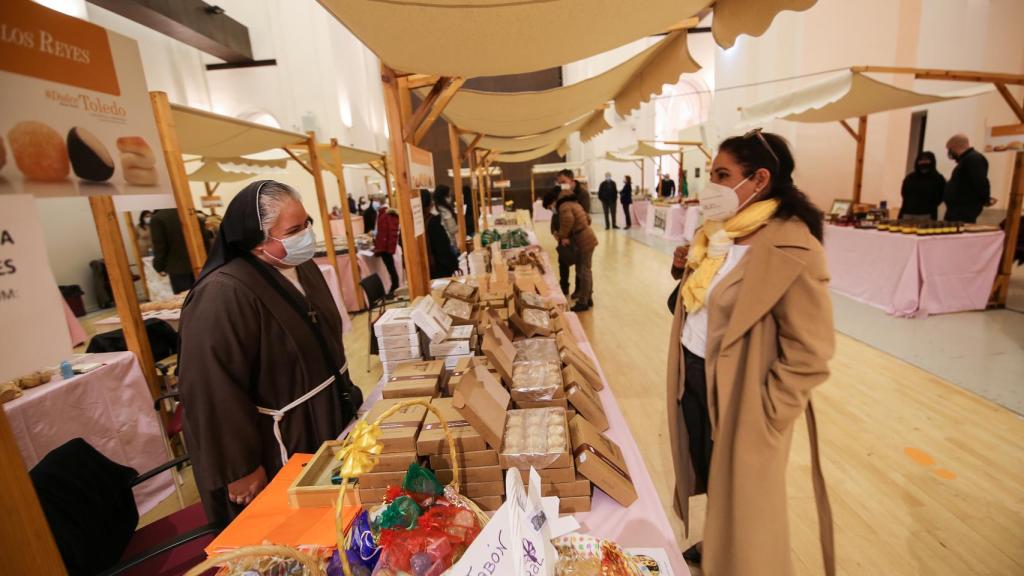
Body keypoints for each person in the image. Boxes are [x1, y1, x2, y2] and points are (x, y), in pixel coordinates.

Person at [666, 130, 834, 575]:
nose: (711, 185)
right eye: (710, 174)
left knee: (746, 496)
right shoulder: (718, 235)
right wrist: (683, 268)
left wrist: (769, 414)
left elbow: (810, 351)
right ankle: (717, 540)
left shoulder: (792, 246)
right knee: (712, 474)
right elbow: (702, 298)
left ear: (759, 179)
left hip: (744, 397)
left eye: (722, 175)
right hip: (695, 376)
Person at [177, 180, 363, 525]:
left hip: (323, 419)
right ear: (256, 239)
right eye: (293, 230)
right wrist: (241, 468)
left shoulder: (304, 267)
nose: (306, 235)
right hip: (273, 443)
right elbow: (211, 389)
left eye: (307, 224)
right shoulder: (223, 294)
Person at [555, 173, 598, 312]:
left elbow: (568, 221)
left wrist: (562, 235)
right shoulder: (575, 203)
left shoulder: (564, 206)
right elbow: (588, 218)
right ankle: (587, 297)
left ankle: (584, 301)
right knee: (585, 269)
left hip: (583, 240)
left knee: (584, 270)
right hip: (588, 237)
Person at [944, 134, 990, 223]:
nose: (950, 152)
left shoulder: (974, 159)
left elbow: (980, 182)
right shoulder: (966, 160)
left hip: (964, 210)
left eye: (950, 149)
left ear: (955, 146)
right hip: (958, 209)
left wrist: (985, 199)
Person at [150, 208, 195, 294]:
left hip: (177, 267)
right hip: (200, 263)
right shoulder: (188, 211)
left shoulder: (158, 218)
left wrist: (158, 266)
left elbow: (160, 245)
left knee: (187, 299)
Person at [422, 190, 461, 279]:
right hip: (437, 271)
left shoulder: (409, 224)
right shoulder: (432, 221)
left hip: (421, 272)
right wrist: (453, 264)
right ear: (429, 204)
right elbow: (442, 247)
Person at [543, 187, 573, 296]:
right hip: (562, 239)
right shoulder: (557, 209)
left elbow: (569, 222)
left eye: (550, 207)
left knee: (581, 268)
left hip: (571, 239)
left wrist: (564, 236)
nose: (551, 209)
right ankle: (564, 286)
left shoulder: (565, 206)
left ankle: (582, 293)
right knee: (563, 263)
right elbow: (553, 222)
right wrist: (555, 232)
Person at [899, 151, 945, 220]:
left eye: (926, 160)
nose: (923, 162)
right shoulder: (910, 177)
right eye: (921, 160)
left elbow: (940, 196)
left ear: (932, 161)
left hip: (927, 214)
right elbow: (904, 194)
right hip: (907, 213)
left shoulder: (938, 178)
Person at [374, 202, 401, 298]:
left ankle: (394, 289)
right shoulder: (384, 215)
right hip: (385, 247)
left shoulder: (385, 216)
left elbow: (389, 233)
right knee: (391, 269)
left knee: (391, 269)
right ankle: (394, 288)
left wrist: (387, 248)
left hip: (384, 248)